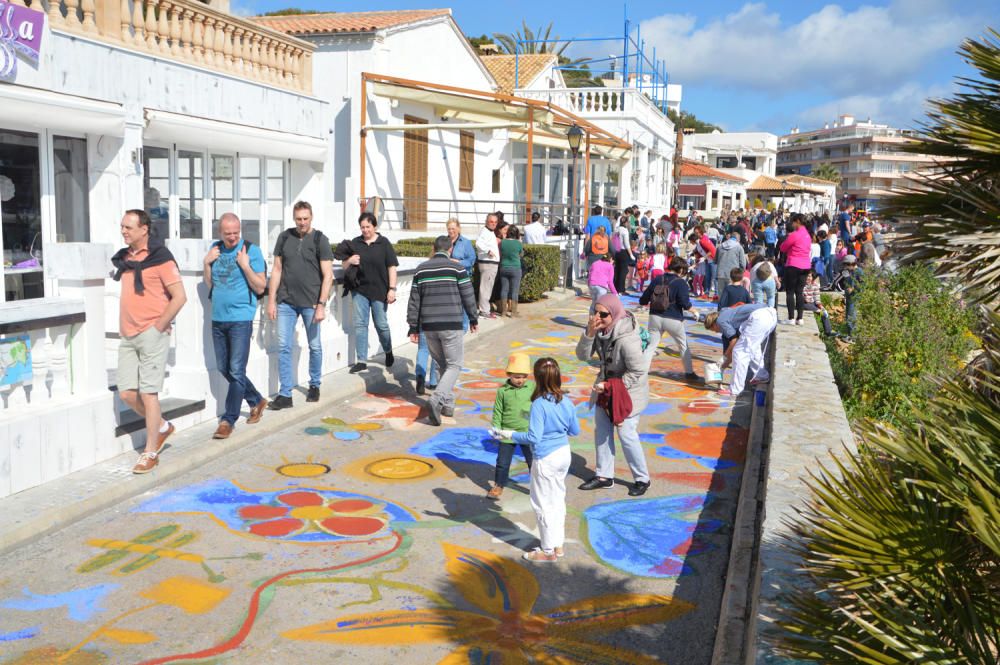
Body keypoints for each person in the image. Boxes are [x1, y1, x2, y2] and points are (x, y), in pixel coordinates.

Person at [112, 209, 187, 474]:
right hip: (128, 334)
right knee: (126, 393)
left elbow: (179, 297)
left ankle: (150, 451)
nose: (123, 231)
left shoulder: (161, 259)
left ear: (144, 229)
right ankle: (163, 427)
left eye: (128, 227)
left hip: (153, 334)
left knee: (148, 392)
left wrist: (158, 326)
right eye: (122, 226)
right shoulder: (125, 258)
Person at [492, 357, 579, 562]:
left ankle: (547, 550)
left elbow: (533, 438)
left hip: (546, 457)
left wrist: (509, 435)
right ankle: (557, 544)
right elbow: (575, 430)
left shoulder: (539, 404)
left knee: (543, 504)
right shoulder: (566, 400)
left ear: (537, 379)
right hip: (563, 454)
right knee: (557, 499)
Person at [576, 294, 651, 497]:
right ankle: (604, 476)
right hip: (606, 389)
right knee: (602, 431)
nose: (598, 317)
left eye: (603, 314)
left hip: (628, 393)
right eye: (595, 312)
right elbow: (582, 356)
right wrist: (589, 333)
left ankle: (642, 478)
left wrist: (612, 386)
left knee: (626, 434)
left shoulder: (627, 338)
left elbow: (638, 371)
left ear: (615, 313)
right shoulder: (599, 330)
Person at [203, 212, 268, 439]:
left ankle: (227, 420)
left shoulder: (251, 250)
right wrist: (206, 263)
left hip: (241, 318)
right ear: (220, 232)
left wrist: (245, 266)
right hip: (218, 318)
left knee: (236, 369)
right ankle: (256, 399)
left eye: (235, 233)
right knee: (224, 368)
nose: (232, 238)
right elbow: (211, 284)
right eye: (227, 234)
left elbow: (261, 287)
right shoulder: (216, 249)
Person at [407, 235, 479, 426]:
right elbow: (468, 295)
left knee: (441, 364)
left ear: (434, 248)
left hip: (428, 326)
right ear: (450, 250)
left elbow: (414, 301)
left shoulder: (421, 269)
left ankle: (447, 404)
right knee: (454, 365)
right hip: (451, 323)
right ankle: (437, 398)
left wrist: (413, 326)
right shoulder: (457, 268)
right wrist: (473, 317)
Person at [267, 202, 333, 407]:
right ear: (294, 218)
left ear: (311, 217)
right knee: (283, 346)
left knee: (315, 346)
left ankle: (314, 384)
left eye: (305, 218)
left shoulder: (320, 239)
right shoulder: (285, 237)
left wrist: (321, 304)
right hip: (286, 301)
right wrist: (271, 300)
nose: (302, 222)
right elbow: (276, 270)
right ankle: (285, 394)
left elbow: (328, 275)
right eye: (298, 219)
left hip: (312, 303)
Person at [639, 256, 698, 380]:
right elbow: (684, 303)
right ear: (681, 270)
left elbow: (644, 299)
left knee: (651, 346)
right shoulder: (681, 283)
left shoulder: (657, 279)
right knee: (683, 345)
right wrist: (693, 311)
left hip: (655, 316)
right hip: (673, 319)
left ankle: (641, 371)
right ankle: (689, 373)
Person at [487, 352, 535, 500]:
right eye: (516, 376)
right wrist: (496, 427)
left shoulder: (532, 387)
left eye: (523, 376)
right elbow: (498, 410)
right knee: (502, 462)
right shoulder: (503, 391)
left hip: (527, 432)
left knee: (533, 461)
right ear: (509, 374)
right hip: (506, 433)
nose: (520, 380)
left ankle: (538, 485)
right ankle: (499, 485)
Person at [704, 303, 777, 397]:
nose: (715, 331)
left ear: (714, 323)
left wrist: (723, 358)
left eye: (713, 329)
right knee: (753, 348)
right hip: (770, 315)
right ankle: (761, 376)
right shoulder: (725, 313)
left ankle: (735, 389)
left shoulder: (720, 321)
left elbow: (734, 341)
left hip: (759, 318)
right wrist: (723, 365)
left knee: (739, 352)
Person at [779, 213, 812, 326]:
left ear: (797, 221)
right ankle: (800, 318)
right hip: (806, 265)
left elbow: (782, 247)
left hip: (793, 264)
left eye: (793, 222)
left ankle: (791, 318)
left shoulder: (795, 234)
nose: (792, 224)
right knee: (799, 292)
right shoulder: (808, 235)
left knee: (790, 292)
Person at [475, 212, 501, 319]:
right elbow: (478, 243)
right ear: (487, 222)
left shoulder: (489, 232)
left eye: (495, 222)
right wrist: (488, 251)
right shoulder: (485, 231)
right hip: (488, 263)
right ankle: (484, 311)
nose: (493, 224)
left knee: (487, 288)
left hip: (490, 263)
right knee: (486, 288)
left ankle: (485, 310)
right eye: (491, 221)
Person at [498, 224, 524, 318]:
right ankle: (513, 312)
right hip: (515, 268)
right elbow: (521, 255)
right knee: (514, 291)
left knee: (504, 289)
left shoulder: (502, 242)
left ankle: (504, 312)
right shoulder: (518, 243)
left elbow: (500, 254)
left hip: (504, 267)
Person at [715, 231, 747, 304]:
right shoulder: (739, 247)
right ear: (738, 239)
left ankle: (721, 313)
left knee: (721, 297)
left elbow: (715, 261)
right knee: (732, 297)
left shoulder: (720, 246)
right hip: (733, 275)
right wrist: (741, 273)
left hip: (721, 273)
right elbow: (743, 263)